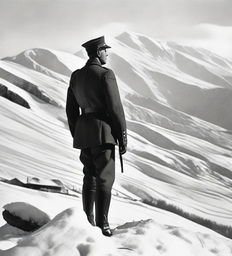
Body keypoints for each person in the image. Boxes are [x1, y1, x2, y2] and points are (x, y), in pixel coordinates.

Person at [66, 36, 127, 237]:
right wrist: (122, 137)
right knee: (104, 179)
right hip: (104, 132)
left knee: (89, 177)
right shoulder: (105, 74)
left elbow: (71, 110)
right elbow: (115, 108)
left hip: (85, 133)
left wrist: (78, 132)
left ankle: (88, 221)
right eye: (105, 50)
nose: (108, 53)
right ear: (99, 52)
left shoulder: (76, 76)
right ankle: (103, 225)